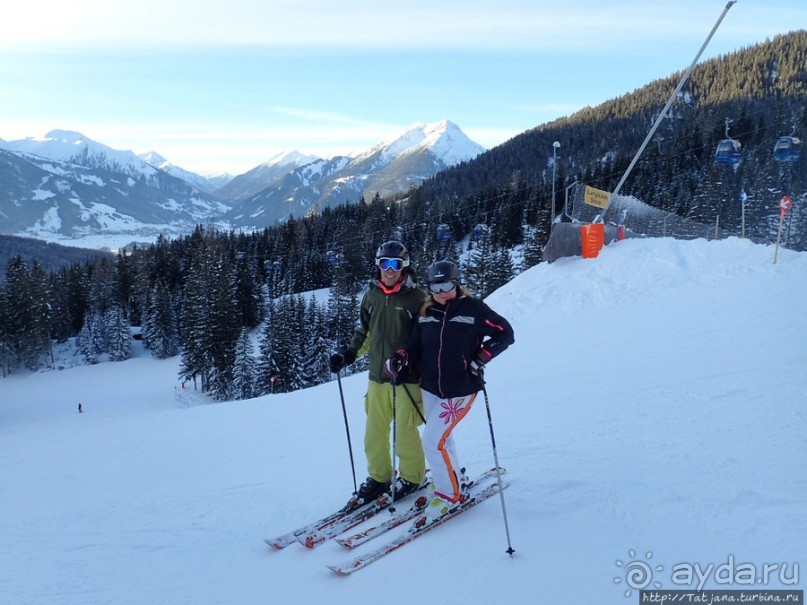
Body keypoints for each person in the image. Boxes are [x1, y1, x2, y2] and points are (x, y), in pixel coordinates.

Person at [384, 260, 514, 520]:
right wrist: (401, 357)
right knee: (444, 439)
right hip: (431, 386)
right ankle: (454, 477)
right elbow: (415, 344)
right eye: (435, 285)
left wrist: (481, 357)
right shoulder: (427, 312)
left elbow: (505, 333)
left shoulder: (474, 309)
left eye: (447, 284)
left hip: (461, 388)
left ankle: (448, 495)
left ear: (457, 283)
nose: (441, 291)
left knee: (432, 442)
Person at [329, 241, 429, 506]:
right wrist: (348, 355)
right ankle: (380, 477)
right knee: (374, 433)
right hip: (377, 377)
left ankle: (412, 476)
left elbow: (425, 341)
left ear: (404, 266)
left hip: (405, 379)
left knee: (405, 432)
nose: (390, 270)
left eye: (395, 264)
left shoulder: (417, 299)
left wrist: (412, 363)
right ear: (378, 265)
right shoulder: (371, 295)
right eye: (385, 263)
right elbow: (365, 332)